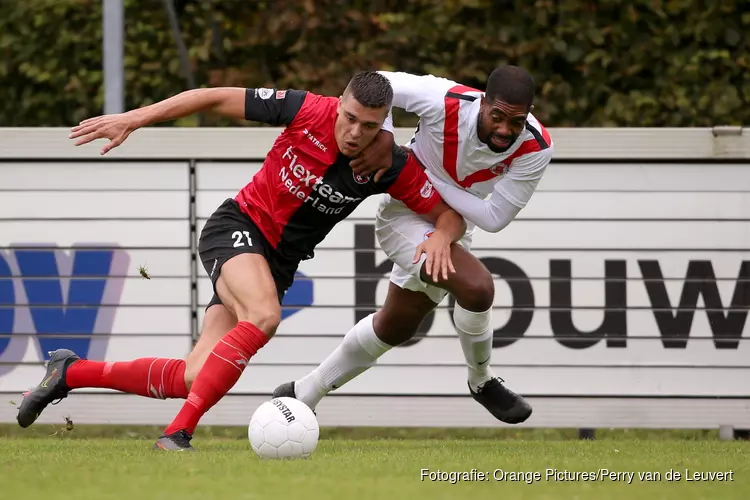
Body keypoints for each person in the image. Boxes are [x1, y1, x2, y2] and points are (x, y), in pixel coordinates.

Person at [16, 71, 467, 451]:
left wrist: (443, 237)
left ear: (383, 124)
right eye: (349, 118)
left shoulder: (388, 164)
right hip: (238, 227)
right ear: (340, 105)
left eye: (369, 126)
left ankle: (70, 371)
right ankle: (177, 433)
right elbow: (213, 97)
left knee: (195, 376)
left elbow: (447, 215)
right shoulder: (306, 109)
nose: (354, 133)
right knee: (264, 314)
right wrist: (136, 118)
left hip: (277, 265)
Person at [273, 65, 553, 424]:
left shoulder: (537, 146)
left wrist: (408, 164)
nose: (504, 129)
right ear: (482, 103)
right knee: (478, 287)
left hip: (452, 226)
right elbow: (377, 81)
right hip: (404, 214)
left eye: (516, 121)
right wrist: (386, 137)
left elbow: (495, 217)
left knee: (396, 326)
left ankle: (303, 392)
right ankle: (481, 382)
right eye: (497, 116)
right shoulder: (444, 99)